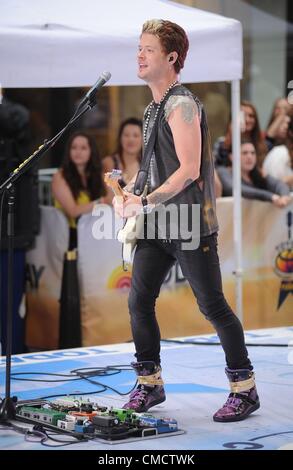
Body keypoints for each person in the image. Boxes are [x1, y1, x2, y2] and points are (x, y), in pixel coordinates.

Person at [113, 19, 260, 422]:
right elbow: (155, 167)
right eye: (139, 47)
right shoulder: (151, 108)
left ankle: (244, 388)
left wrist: (142, 202)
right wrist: (130, 193)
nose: (139, 55)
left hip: (189, 223)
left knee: (212, 305)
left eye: (148, 49)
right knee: (139, 301)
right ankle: (149, 382)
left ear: (172, 57)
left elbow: (190, 169)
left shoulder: (180, 104)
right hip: (159, 224)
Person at [52, 130, 111, 249]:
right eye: (74, 147)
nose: (78, 152)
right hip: (70, 236)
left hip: (95, 231)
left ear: (91, 151)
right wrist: (102, 201)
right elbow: (73, 211)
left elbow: (112, 197)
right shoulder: (60, 176)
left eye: (83, 148)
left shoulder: (97, 173)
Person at [217, 140, 291, 207]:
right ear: (232, 157)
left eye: (253, 153)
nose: (249, 157)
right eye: (244, 153)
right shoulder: (223, 172)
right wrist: (271, 197)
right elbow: (235, 189)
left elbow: (279, 184)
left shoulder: (259, 173)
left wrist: (284, 196)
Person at [103, 117, 142, 187]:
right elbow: (112, 188)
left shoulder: (146, 164)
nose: (131, 139)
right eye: (126, 135)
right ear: (120, 138)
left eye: (136, 135)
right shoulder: (111, 163)